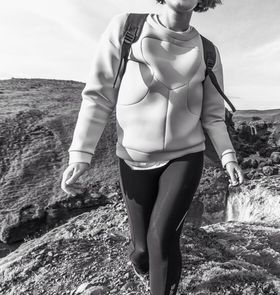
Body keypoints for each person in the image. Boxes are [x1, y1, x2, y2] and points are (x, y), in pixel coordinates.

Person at [60, 0, 245, 294]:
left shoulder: (208, 51)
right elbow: (98, 97)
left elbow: (212, 115)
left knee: (162, 237)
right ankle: (142, 261)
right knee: (143, 249)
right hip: (132, 157)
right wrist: (81, 154)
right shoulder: (126, 28)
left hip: (185, 156)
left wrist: (227, 156)